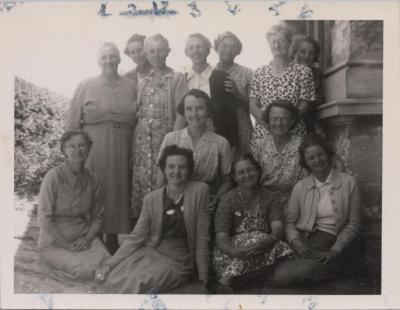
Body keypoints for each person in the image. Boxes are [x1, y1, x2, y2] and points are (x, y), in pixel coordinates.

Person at [95, 145, 210, 294]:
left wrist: (204, 278)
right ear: (164, 169)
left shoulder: (200, 191)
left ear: (189, 169)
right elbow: (136, 237)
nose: (176, 171)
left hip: (178, 260)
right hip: (151, 251)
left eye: (182, 167)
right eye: (171, 167)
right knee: (110, 278)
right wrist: (109, 265)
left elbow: (202, 237)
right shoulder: (152, 198)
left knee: (136, 282)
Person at [67, 43, 137, 254]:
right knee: (94, 190)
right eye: (104, 57)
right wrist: (75, 153)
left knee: (117, 192)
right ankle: (93, 238)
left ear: (118, 59)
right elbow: (72, 122)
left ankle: (113, 239)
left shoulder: (131, 85)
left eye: (112, 57)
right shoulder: (85, 85)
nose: (109, 61)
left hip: (122, 145)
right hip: (93, 148)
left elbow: (138, 120)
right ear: (99, 61)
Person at [271, 134, 362, 286]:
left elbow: (355, 223)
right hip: (306, 240)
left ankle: (335, 265)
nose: (317, 160)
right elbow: (290, 223)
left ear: (328, 154)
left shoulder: (348, 182)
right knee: (280, 275)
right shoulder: (301, 187)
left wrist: (335, 250)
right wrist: (295, 241)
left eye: (320, 154)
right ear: (306, 162)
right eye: (311, 158)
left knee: (287, 276)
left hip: (335, 241)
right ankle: (324, 269)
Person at [213, 153, 293, 291]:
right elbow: (221, 239)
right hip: (231, 254)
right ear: (235, 177)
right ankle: (237, 277)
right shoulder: (227, 199)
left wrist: (265, 242)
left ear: (258, 171)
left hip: (261, 248)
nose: (247, 175)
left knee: (278, 245)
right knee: (269, 246)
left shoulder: (271, 197)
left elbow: (278, 229)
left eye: (250, 170)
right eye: (241, 172)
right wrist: (235, 252)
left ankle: (233, 280)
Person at [37, 130, 110, 280]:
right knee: (84, 270)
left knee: (109, 263)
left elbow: (97, 217)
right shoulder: (53, 177)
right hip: (54, 244)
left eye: (82, 146)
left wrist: (88, 238)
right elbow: (44, 218)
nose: (78, 151)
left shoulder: (93, 179)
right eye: (72, 146)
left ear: (89, 149)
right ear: (64, 149)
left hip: (83, 239)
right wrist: (66, 245)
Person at [131, 34, 188, 219]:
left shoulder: (176, 78)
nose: (156, 55)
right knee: (142, 187)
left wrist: (171, 147)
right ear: (146, 54)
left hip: (164, 144)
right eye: (151, 51)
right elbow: (138, 113)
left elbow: (181, 114)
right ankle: (142, 230)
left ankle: (162, 230)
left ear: (168, 52)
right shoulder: (143, 80)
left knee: (162, 185)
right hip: (142, 146)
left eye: (160, 50)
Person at [156, 89, 233, 213]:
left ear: (208, 111)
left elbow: (227, 181)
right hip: (174, 203)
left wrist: (216, 200)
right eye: (189, 109)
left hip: (205, 203)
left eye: (200, 108)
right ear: (184, 112)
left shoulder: (221, 143)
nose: (194, 114)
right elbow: (160, 181)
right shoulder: (171, 138)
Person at [249, 24, 316, 159]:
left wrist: (286, 124)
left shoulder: (303, 71)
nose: (277, 45)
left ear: (289, 43)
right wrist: (269, 125)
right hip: (264, 131)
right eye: (273, 41)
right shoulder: (259, 73)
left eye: (281, 41)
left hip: (293, 131)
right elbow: (252, 104)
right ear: (269, 44)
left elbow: (304, 105)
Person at [177, 33, 239, 152]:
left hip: (218, 140)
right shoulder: (183, 79)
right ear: (186, 52)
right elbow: (180, 115)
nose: (196, 51)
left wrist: (234, 146)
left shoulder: (222, 77)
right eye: (191, 47)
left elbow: (231, 115)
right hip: (189, 143)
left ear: (208, 50)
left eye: (199, 46)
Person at [251, 100, 303, 207]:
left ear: (292, 121)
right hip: (265, 204)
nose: (278, 123)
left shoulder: (302, 145)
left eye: (283, 119)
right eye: (274, 119)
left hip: (296, 202)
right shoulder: (259, 145)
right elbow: (253, 179)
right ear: (268, 120)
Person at [214, 31, 254, 154]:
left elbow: (256, 108)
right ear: (217, 48)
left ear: (238, 51)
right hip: (217, 131)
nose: (228, 50)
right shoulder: (209, 73)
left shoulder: (247, 73)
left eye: (233, 47)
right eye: (225, 45)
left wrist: (237, 95)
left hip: (242, 130)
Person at [290, 34, 324, 134]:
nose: (307, 56)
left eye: (311, 53)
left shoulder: (317, 73)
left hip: (310, 123)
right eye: (303, 51)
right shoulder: (286, 70)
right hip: (287, 121)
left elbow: (320, 99)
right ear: (295, 52)